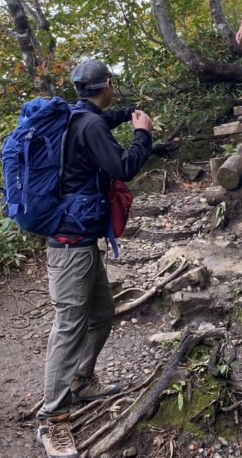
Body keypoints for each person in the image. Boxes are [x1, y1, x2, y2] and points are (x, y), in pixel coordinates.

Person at [35, 59, 153, 458]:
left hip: (80, 242)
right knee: (68, 327)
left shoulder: (77, 116)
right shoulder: (90, 125)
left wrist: (125, 115)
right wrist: (142, 134)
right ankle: (53, 420)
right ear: (106, 85)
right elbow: (124, 166)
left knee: (101, 314)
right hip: (70, 246)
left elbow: (99, 121)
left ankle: (81, 382)